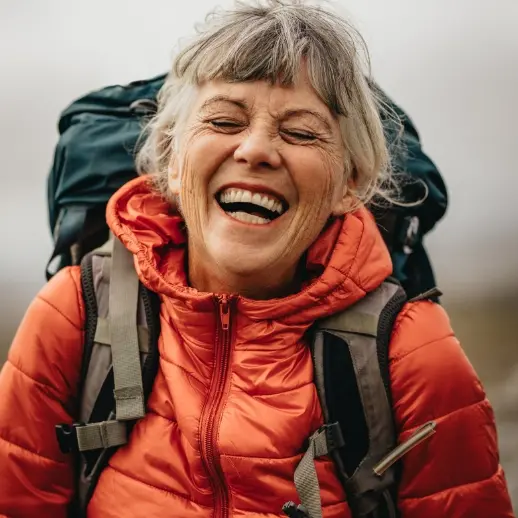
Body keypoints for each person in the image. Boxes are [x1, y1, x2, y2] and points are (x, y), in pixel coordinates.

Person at [0, 1, 514, 517]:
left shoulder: (414, 353)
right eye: (224, 120)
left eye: (301, 132)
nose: (256, 150)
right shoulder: (75, 313)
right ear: (173, 161)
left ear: (349, 184)